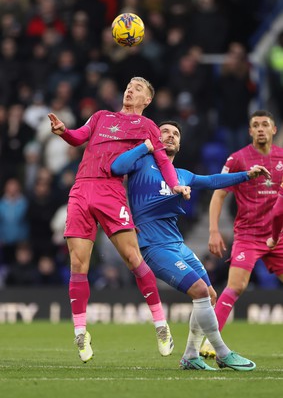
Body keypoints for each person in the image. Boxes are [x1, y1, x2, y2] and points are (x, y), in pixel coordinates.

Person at [48, 76, 190, 363]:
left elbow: (162, 159)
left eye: (137, 88)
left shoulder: (148, 126)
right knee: (78, 263)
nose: (130, 90)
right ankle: (80, 332)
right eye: (128, 86)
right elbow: (79, 137)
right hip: (81, 188)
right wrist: (64, 131)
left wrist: (174, 184)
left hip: (110, 191)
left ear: (146, 100)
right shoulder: (101, 116)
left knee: (132, 257)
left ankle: (161, 326)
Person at [111, 120, 269, 371]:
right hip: (153, 246)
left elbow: (213, 180)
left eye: (175, 134)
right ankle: (222, 352)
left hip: (177, 244)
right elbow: (116, 166)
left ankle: (190, 356)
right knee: (199, 291)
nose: (170, 136)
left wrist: (246, 175)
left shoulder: (182, 175)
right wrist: (145, 146)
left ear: (180, 143)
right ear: (155, 136)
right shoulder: (141, 164)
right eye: (164, 132)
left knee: (210, 294)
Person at [201, 109, 283, 358]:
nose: (260, 128)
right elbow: (218, 194)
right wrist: (214, 230)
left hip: (277, 236)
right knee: (236, 286)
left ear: (273, 130)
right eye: (255, 125)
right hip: (248, 235)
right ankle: (209, 342)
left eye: (264, 124)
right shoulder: (237, 159)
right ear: (249, 131)